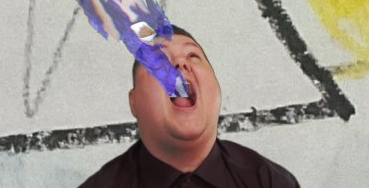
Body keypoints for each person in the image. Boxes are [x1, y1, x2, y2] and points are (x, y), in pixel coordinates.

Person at [80, 25, 300, 187]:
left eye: (193, 55)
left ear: (216, 89)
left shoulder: (269, 181)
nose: (179, 63)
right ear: (134, 102)